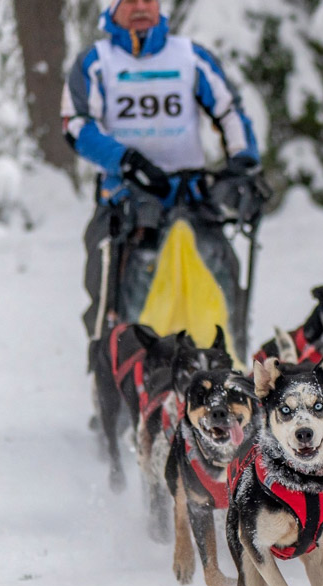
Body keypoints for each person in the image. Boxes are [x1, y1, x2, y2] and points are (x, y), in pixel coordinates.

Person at [61, 0, 264, 348]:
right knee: (107, 287)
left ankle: (230, 364)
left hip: (191, 196)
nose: (141, 7)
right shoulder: (94, 62)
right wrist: (127, 162)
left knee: (222, 277)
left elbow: (229, 111)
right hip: (126, 197)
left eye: (150, 0)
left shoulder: (190, 57)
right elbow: (77, 126)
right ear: (112, 8)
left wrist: (242, 163)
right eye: (131, 0)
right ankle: (116, 370)